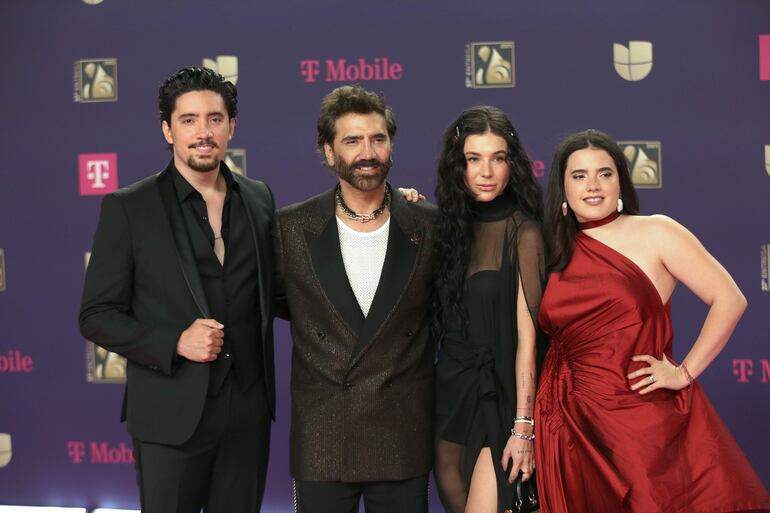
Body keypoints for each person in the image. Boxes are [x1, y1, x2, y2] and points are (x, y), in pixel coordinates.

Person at [534, 129, 770, 513]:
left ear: (620, 181)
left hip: (640, 423)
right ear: (562, 188)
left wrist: (684, 373)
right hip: (569, 423)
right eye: (579, 176)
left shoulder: (656, 231)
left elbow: (729, 299)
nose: (593, 185)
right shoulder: (551, 248)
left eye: (604, 173)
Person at [79, 67, 275, 513]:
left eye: (214, 119)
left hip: (247, 417)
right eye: (188, 120)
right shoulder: (130, 207)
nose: (202, 132)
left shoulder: (260, 198)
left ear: (232, 127)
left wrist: (384, 212)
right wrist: (175, 342)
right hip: (171, 417)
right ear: (168, 130)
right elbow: (96, 314)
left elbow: (279, 289)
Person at [271, 85, 436, 513]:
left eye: (378, 139)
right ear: (328, 152)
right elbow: (285, 305)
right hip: (323, 435)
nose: (368, 152)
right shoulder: (291, 228)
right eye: (352, 140)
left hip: (401, 434)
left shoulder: (428, 224)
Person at [432, 106, 548, 513]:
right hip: (449, 394)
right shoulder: (444, 228)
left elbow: (528, 340)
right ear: (457, 166)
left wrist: (523, 426)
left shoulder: (525, 232)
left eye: (498, 158)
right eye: (473, 159)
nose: (486, 171)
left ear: (511, 165)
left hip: (499, 398)